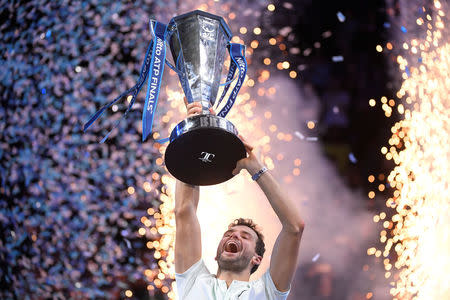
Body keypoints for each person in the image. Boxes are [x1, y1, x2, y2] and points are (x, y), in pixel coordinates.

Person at [174, 102, 305, 299]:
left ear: (256, 259)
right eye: (229, 234)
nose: (233, 237)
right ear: (216, 254)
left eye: (245, 236)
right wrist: (194, 136)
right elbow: (184, 211)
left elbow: (294, 228)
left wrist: (256, 169)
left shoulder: (267, 292)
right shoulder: (193, 280)